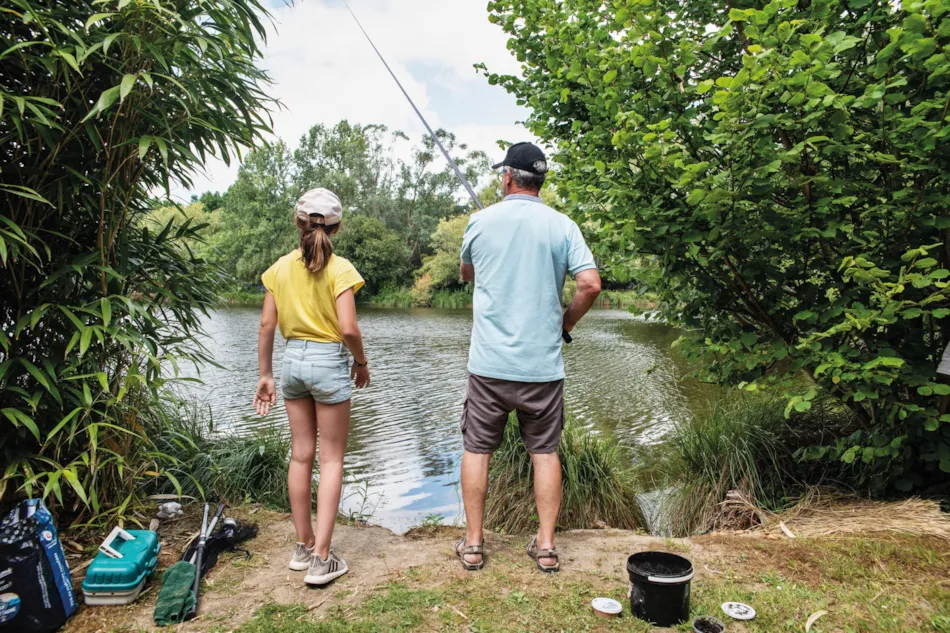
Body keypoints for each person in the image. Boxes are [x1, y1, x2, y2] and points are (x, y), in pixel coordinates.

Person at [455, 142, 602, 573]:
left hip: (489, 367)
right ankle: (546, 547)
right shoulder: (563, 225)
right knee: (544, 452)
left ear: (506, 178)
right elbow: (589, 285)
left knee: (477, 449)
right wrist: (565, 325)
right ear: (540, 180)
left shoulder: (480, 222)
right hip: (542, 368)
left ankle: (475, 544)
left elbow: (467, 274)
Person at [254, 188, 370, 586]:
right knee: (332, 459)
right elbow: (349, 328)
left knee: (300, 456)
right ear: (335, 229)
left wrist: (265, 375)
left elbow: (267, 325)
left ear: (297, 222)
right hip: (328, 362)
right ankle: (323, 558)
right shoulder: (341, 270)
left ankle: (303, 547)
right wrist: (361, 361)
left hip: (292, 363)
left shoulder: (279, 269)